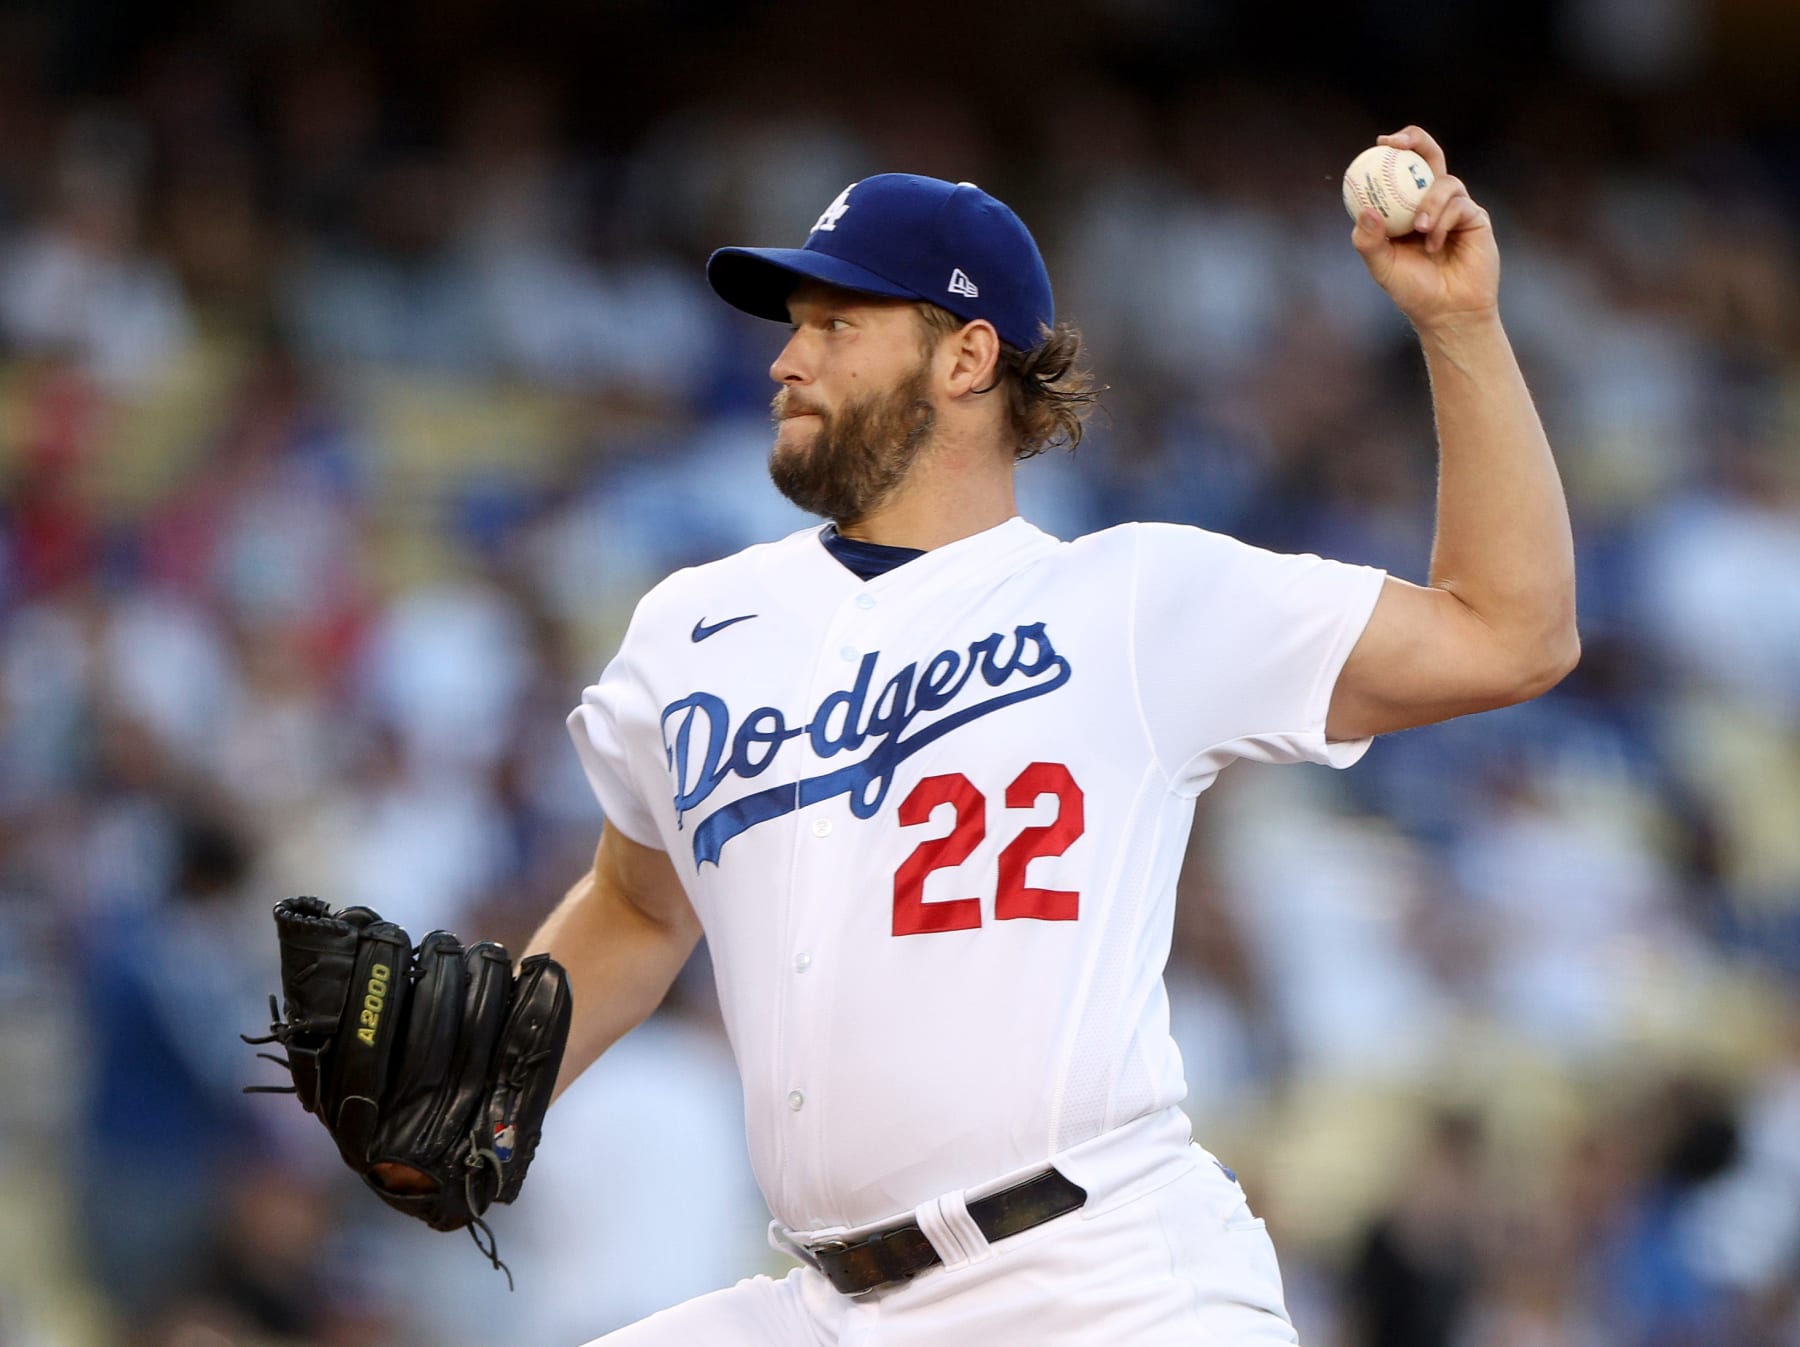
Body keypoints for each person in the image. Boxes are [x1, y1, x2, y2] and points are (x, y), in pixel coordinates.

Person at [532, 126, 1578, 1345]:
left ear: (968, 355)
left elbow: (1514, 634)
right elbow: (640, 908)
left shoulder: (1134, 602)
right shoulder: (694, 626)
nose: (787, 361)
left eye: (836, 325)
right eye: (792, 325)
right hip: (829, 1304)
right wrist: (489, 1091)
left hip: (1101, 1281)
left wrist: (1458, 328)